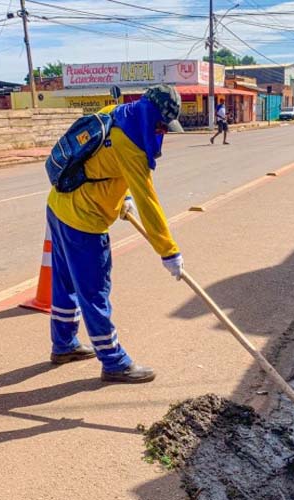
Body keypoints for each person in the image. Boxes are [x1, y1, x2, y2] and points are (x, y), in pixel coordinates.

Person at [46, 84, 185, 384]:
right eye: (162, 125)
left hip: (58, 206)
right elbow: (149, 201)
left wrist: (121, 200)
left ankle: (64, 344)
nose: (163, 131)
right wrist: (169, 251)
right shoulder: (131, 143)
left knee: (65, 282)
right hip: (83, 220)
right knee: (94, 291)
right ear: (152, 116)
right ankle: (113, 361)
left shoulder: (117, 114)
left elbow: (100, 164)